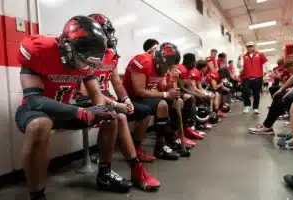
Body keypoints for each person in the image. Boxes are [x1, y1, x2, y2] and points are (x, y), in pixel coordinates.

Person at [15, 16, 133, 200]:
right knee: (40, 124)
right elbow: (34, 100)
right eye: (84, 59)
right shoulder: (40, 50)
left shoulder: (86, 61)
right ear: (67, 46)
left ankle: (104, 174)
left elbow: (95, 93)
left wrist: (99, 111)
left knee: (111, 116)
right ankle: (37, 194)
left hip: (67, 108)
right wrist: (81, 112)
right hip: (38, 111)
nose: (87, 66)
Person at [75, 14, 160, 191]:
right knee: (118, 117)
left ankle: (127, 166)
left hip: (105, 98)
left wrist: (125, 99)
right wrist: (115, 104)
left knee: (133, 111)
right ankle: (133, 169)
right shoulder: (82, 53)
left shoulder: (110, 55)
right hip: (84, 99)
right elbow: (86, 92)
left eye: (109, 32)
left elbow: (117, 84)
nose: (109, 36)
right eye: (106, 32)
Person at [122, 42, 181, 160]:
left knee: (164, 104)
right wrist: (166, 94)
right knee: (147, 110)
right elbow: (139, 91)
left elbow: (165, 88)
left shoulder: (163, 67)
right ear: (159, 60)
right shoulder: (143, 61)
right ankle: (136, 147)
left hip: (144, 97)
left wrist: (173, 79)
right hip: (128, 98)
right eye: (167, 66)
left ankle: (160, 146)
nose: (168, 68)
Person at [248, 58, 293, 135]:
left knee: (285, 97)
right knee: (280, 95)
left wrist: (283, 89)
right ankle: (268, 126)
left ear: (292, 65)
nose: (288, 71)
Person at [240, 42, 268, 114]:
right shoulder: (243, 56)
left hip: (258, 77)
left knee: (256, 93)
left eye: (251, 46)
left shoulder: (260, 54)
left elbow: (265, 64)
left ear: (254, 47)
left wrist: (265, 72)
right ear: (246, 48)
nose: (249, 48)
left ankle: (255, 108)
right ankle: (247, 105)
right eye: (248, 47)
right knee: (245, 91)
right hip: (246, 78)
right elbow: (240, 66)